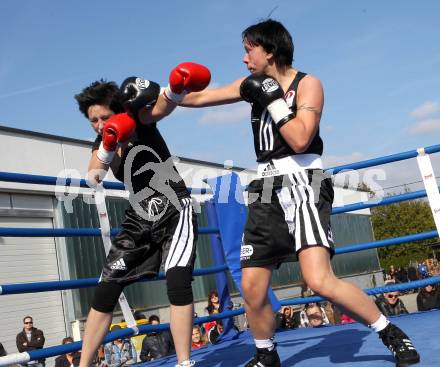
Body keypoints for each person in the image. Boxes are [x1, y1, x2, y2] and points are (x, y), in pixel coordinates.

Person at [178, 18, 420, 367]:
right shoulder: (250, 85)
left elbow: (301, 138)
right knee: (251, 285)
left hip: (305, 180)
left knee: (318, 280)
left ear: (270, 51)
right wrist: (165, 93)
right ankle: (265, 353)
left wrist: (273, 100)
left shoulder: (309, 84)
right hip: (265, 188)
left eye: (249, 51)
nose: (244, 60)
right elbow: (198, 97)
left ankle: (389, 332)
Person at [74, 62, 211, 367]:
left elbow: (162, 107)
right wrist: (108, 142)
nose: (98, 124)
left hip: (175, 207)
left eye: (104, 118)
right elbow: (93, 175)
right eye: (93, 120)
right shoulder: (101, 141)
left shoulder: (139, 120)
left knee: (177, 282)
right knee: (106, 288)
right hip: (140, 215)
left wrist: (175, 86)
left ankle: (184, 363)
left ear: (119, 109)